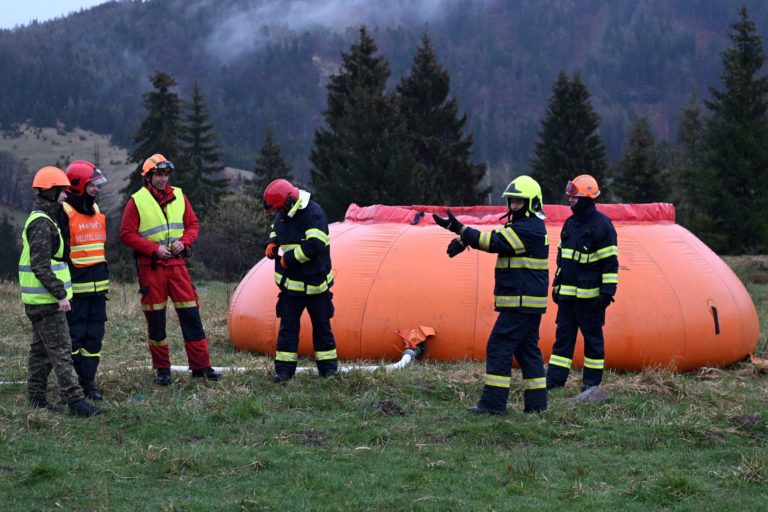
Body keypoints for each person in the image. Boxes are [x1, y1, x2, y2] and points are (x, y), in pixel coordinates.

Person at [433, 175, 548, 414]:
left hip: (520, 303)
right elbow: (496, 237)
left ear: (532, 203)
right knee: (527, 351)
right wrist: (464, 240)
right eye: (512, 201)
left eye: (519, 202)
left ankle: (493, 405)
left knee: (498, 347)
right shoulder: (524, 227)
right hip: (525, 303)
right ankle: (537, 406)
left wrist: (460, 229)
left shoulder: (529, 229)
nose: (514, 206)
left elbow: (494, 242)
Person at [119, 154, 221, 385]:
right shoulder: (137, 201)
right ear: (148, 177)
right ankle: (162, 370)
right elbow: (126, 234)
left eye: (166, 174)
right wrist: (153, 249)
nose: (163, 179)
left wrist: (184, 242)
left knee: (191, 315)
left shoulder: (180, 196)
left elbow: (193, 225)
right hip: (151, 267)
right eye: (158, 174)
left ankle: (201, 367)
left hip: (177, 265)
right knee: (156, 320)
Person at [20, 166, 107, 417]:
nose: (65, 196)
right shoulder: (42, 223)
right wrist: (60, 294)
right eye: (61, 191)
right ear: (50, 192)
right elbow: (40, 265)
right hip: (46, 299)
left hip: (39, 298)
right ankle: (76, 401)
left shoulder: (44, 218)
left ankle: (36, 397)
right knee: (61, 351)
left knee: (40, 351)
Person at [546, 174, 618, 391]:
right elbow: (562, 260)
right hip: (567, 298)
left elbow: (610, 263)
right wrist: (557, 285)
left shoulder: (603, 225)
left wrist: (606, 293)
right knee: (563, 339)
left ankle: (591, 384)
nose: (570, 199)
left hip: (591, 299)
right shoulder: (570, 224)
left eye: (574, 196)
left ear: (586, 198)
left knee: (593, 341)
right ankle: (554, 381)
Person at [262, 178, 337, 383]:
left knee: (322, 329)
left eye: (280, 209)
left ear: (289, 203)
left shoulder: (314, 213)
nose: (279, 213)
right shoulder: (284, 213)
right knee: (288, 330)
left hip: (316, 286)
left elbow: (315, 245)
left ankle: (328, 372)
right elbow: (277, 227)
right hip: (291, 287)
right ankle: (284, 372)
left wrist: (289, 258)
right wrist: (272, 242)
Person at [63, 160, 109, 401]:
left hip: (98, 290)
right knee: (74, 337)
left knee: (94, 338)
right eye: (92, 185)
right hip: (75, 292)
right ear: (78, 185)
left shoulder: (96, 209)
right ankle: (71, 386)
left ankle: (88, 382)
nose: (96, 189)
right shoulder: (64, 212)